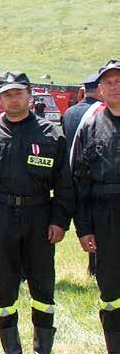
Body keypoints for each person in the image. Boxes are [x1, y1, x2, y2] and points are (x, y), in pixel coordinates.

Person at [0, 71, 73, 354]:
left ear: (29, 95)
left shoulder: (51, 133)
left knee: (42, 285)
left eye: (19, 93)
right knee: (3, 286)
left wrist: (60, 220)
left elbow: (64, 183)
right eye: (8, 94)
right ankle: (12, 353)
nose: (14, 98)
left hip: (39, 216)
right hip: (0, 216)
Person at [72, 59, 120, 354]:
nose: (114, 86)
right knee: (111, 286)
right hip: (105, 215)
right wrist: (84, 228)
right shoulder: (89, 124)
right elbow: (78, 179)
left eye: (119, 80)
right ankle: (115, 350)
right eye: (109, 82)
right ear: (99, 89)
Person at [63, 72, 103, 276]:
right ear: (99, 89)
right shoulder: (98, 114)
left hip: (70, 174)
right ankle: (95, 266)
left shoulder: (70, 112)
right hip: (89, 173)